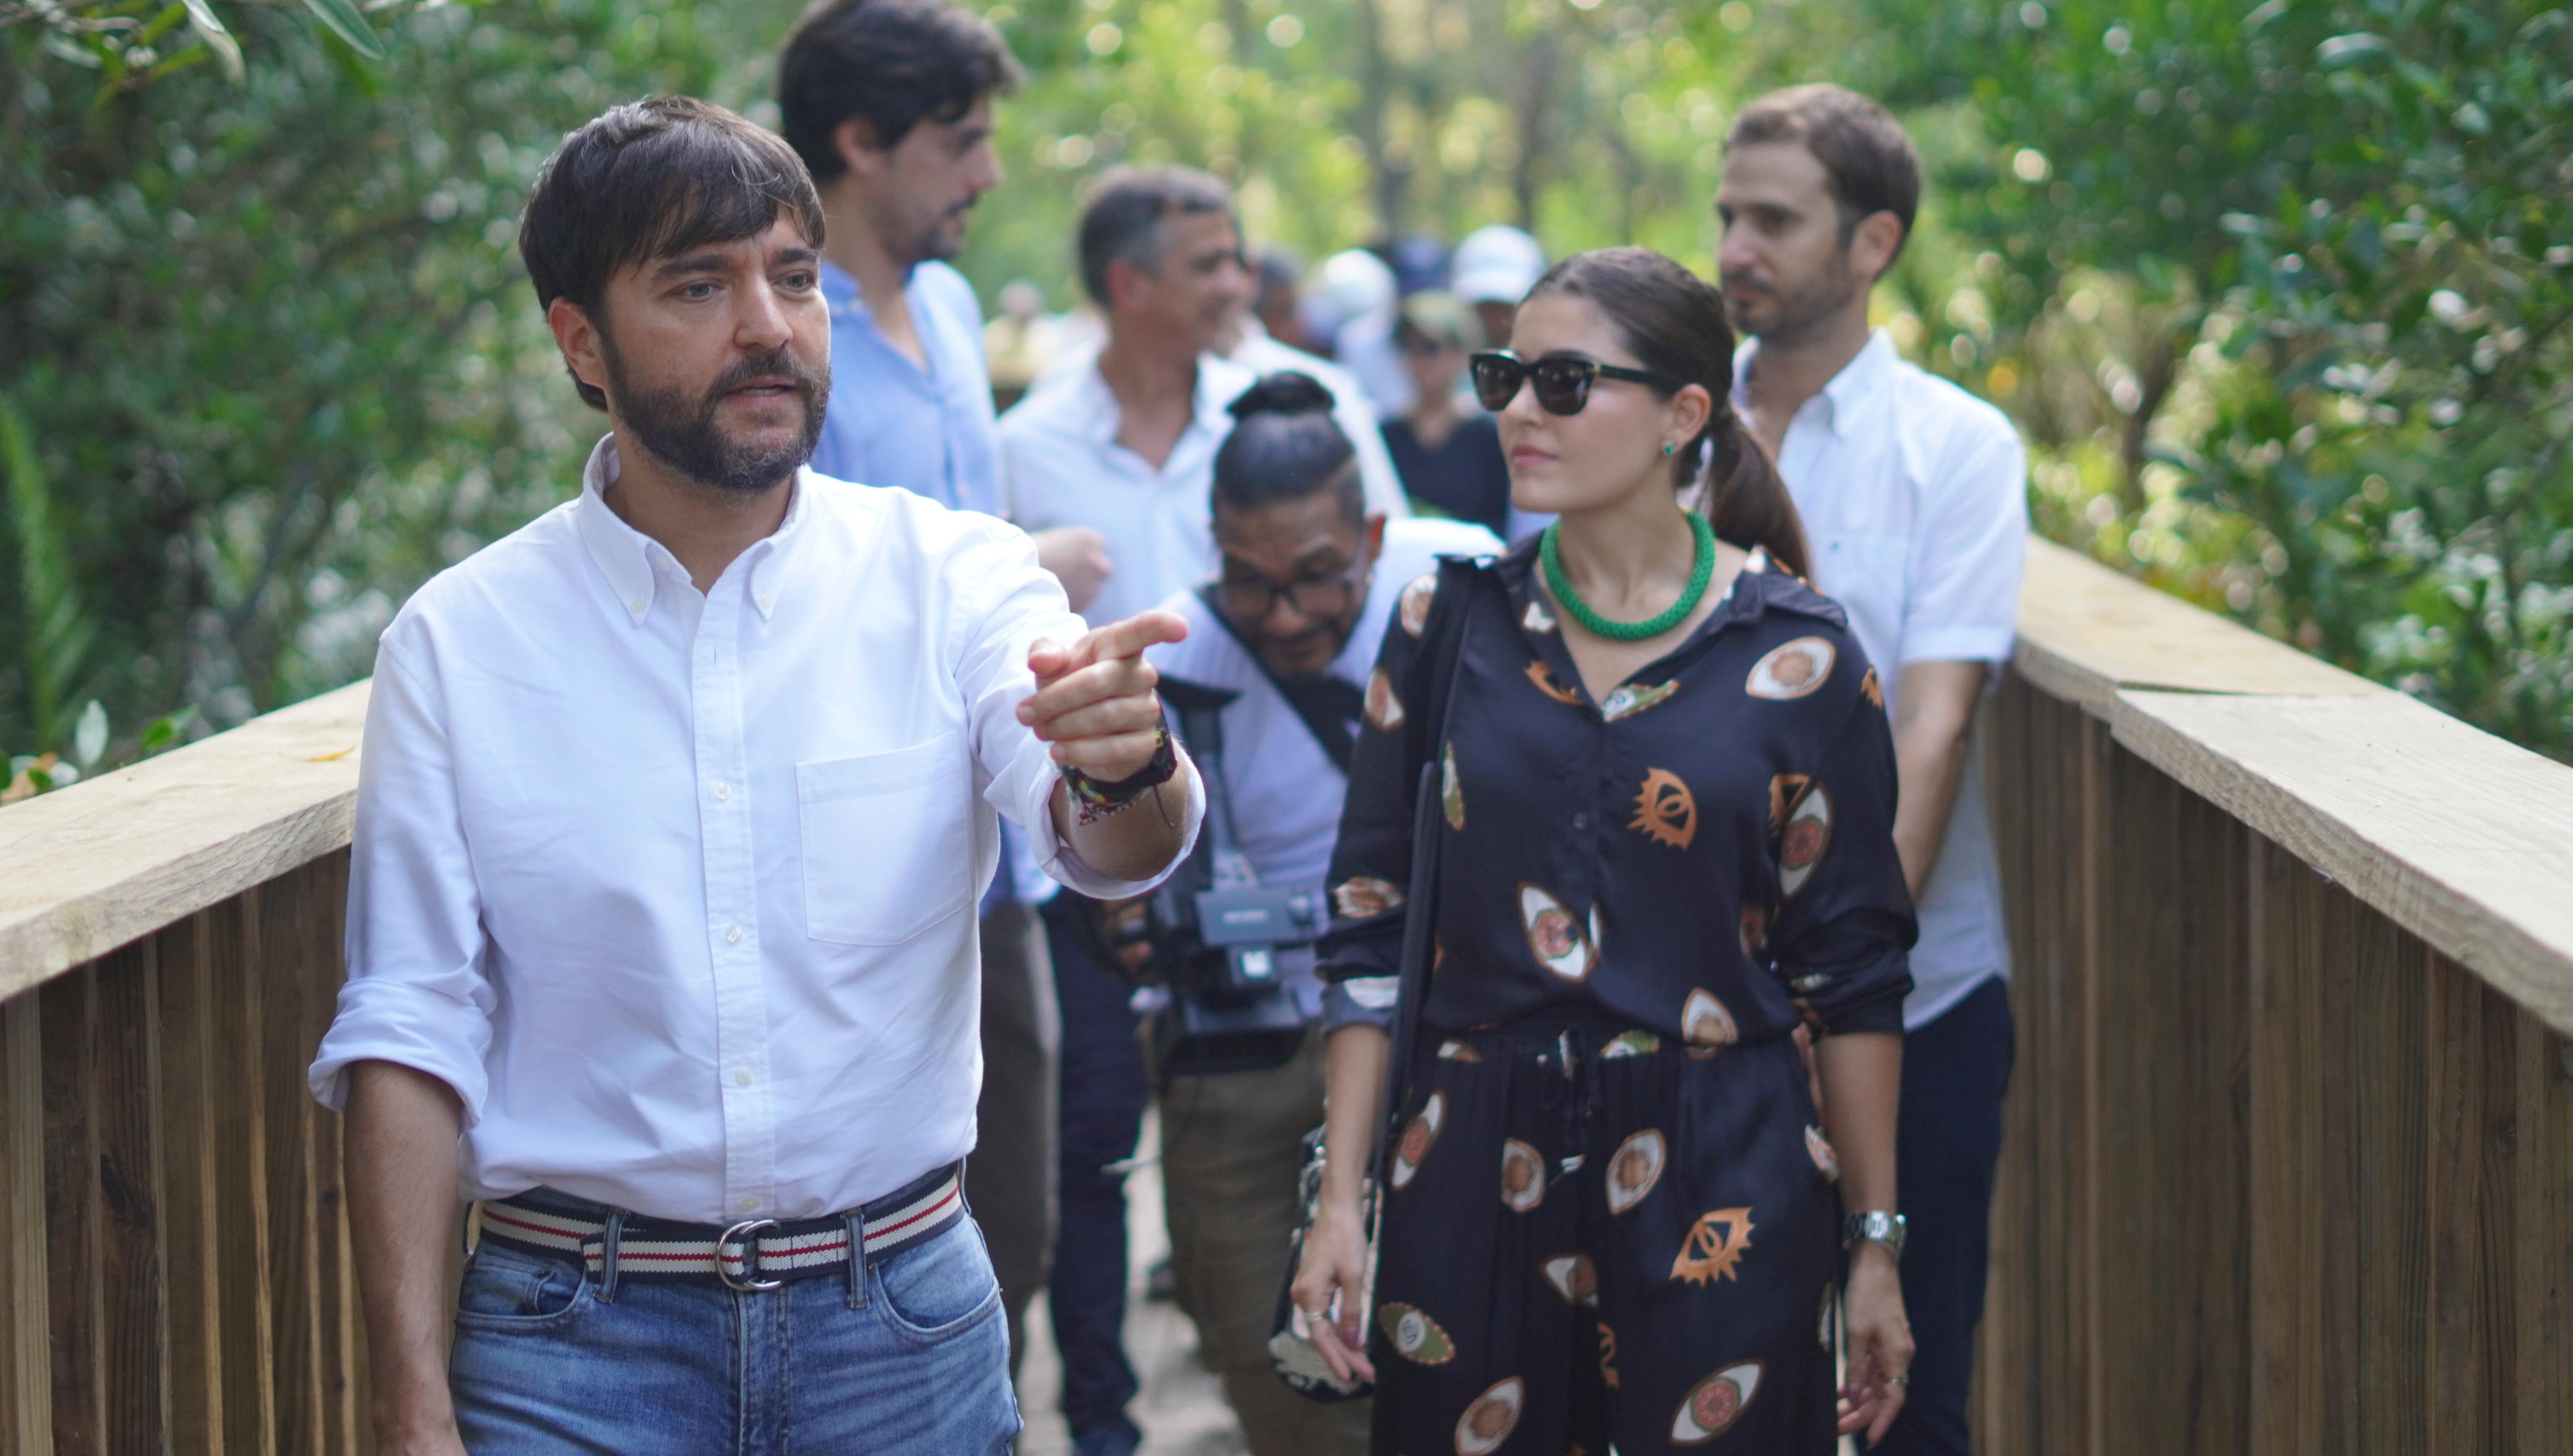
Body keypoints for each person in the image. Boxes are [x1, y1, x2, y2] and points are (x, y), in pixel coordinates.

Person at [308, 96, 1204, 1454]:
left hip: (898, 1323)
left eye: (794, 276)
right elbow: (408, 1025)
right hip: (571, 1344)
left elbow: (1106, 842)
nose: (768, 325)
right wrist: (410, 1401)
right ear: (580, 342)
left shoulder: (955, 574)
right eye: (697, 285)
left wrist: (1130, 761)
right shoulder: (459, 641)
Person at [1291, 246, 1917, 1454]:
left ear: (1684, 415)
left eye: (1564, 381)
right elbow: (1368, 922)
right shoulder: (1444, 623)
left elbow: (1853, 973)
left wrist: (1874, 1245)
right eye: (1504, 376)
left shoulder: (1802, 660)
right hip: (1468, 1167)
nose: (1517, 410)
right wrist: (1341, 1202)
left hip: (1721, 1170)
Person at [1718, 84, 2029, 1456]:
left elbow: (1933, 727)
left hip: (1919, 992)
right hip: (1689, 1002)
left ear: (1872, 243)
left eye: (1775, 220)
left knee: (1910, 1393)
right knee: (1703, 1376)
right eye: (1728, 213)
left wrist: (1835, 974)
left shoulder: (1953, 448)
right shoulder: (1660, 428)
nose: (1736, 246)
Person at [775, 0, 1061, 1373]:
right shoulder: (778, 340)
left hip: (1006, 840)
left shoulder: (946, 306)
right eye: (960, 142)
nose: (986, 174)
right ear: (859, 143)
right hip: (857, 856)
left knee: (1023, 1218)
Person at [1141, 372, 1501, 1456]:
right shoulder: (1178, 648)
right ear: (1213, 546)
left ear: (1373, 533)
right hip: (1245, 1049)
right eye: (1250, 586)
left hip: (1441, 1037)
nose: (1287, 617)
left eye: (1316, 578)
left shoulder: (1465, 585)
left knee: (1472, 1347)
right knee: (1276, 1361)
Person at [1379, 291, 1511, 538]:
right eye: (1406, 347)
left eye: (1430, 348)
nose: (1416, 360)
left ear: (1461, 353)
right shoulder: (1385, 433)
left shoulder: (1489, 435)